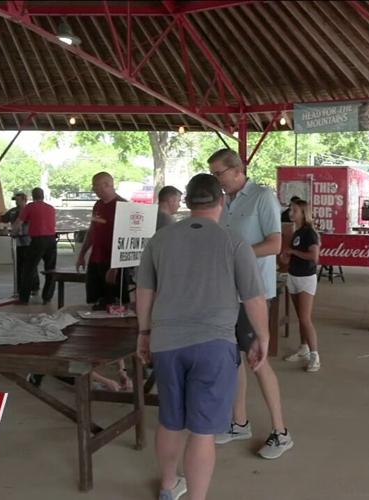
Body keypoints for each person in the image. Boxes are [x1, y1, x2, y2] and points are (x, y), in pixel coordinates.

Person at [135, 173, 270, 500]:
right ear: (221, 201)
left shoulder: (160, 240)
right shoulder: (234, 241)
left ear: (187, 202)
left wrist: (143, 332)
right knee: (202, 431)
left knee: (170, 421)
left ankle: (168, 487)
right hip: (214, 345)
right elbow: (254, 298)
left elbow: (144, 290)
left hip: (166, 342)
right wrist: (262, 337)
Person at [207, 149, 293, 460]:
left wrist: (235, 255)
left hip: (253, 293)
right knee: (233, 359)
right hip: (226, 293)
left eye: (219, 174)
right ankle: (239, 422)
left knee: (258, 360)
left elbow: (275, 244)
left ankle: (281, 432)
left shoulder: (262, 197)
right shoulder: (223, 202)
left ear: (237, 170)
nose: (217, 180)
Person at [280, 199, 322, 372]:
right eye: (291, 210)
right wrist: (286, 257)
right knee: (301, 318)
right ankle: (303, 347)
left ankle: (315, 355)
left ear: (303, 213)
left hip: (306, 278)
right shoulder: (296, 232)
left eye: (295, 210)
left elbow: (314, 257)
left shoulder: (310, 233)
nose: (291, 213)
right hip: (294, 276)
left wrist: (293, 252)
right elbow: (292, 256)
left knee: (305, 319)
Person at [76, 172, 128, 310]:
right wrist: (82, 255)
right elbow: (92, 230)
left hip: (112, 262)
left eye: (96, 185)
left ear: (107, 184)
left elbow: (127, 238)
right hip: (95, 259)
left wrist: (116, 266)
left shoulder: (123, 206)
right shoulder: (98, 204)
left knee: (113, 303)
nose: (93, 189)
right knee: (94, 300)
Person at [15, 188, 57, 305]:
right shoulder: (51, 208)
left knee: (28, 269)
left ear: (32, 197)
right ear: (43, 196)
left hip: (38, 241)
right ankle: (47, 297)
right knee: (50, 270)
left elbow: (19, 223)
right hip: (51, 240)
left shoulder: (30, 207)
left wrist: (13, 232)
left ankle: (24, 298)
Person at [0, 192, 38, 297]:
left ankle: (34, 287)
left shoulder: (29, 210)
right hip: (17, 243)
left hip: (28, 241)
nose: (16, 202)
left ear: (24, 200)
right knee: (18, 266)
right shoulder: (13, 211)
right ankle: (20, 288)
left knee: (31, 266)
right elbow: (3, 218)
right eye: (15, 200)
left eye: (18, 200)